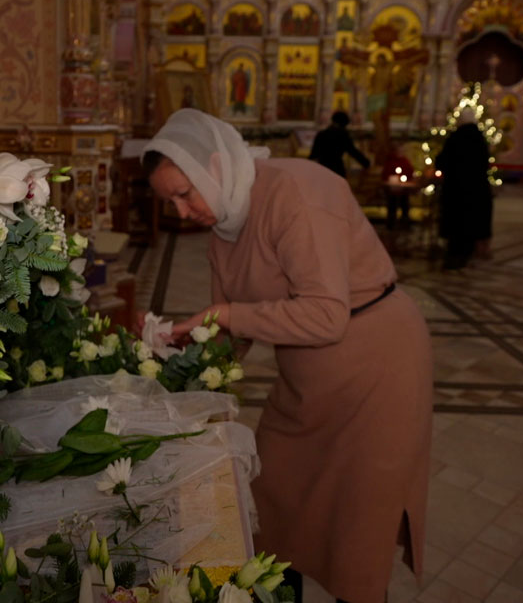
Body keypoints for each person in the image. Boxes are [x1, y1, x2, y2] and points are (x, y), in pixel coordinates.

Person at [143, 109, 433, 603]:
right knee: (272, 500)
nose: (180, 213)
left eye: (184, 194)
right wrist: (184, 351)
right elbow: (232, 328)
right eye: (169, 201)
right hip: (306, 379)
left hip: (378, 370)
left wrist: (229, 315)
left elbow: (324, 316)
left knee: (356, 531)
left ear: (214, 167)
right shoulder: (225, 227)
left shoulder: (296, 193)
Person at [436, 107, 492, 270]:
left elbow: (442, 162)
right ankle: (466, 254)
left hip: (455, 191)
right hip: (475, 191)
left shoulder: (455, 138)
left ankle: (453, 255)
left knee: (455, 225)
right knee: (470, 224)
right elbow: (485, 164)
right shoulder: (480, 139)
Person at [308, 111, 370, 178]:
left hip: (322, 168)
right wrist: (366, 163)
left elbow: (313, 154)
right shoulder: (342, 135)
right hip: (337, 169)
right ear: (344, 123)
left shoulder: (321, 134)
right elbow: (352, 151)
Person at [382, 143, 416, 230]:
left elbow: (410, 172)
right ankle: (392, 223)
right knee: (392, 204)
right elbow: (385, 174)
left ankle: (404, 222)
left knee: (404, 203)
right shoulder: (390, 161)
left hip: (403, 189)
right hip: (392, 189)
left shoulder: (405, 161)